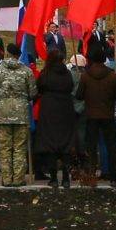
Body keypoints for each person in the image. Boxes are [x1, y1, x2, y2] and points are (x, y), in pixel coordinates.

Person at [0, 49, 36, 187]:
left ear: (7, 54)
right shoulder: (26, 71)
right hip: (21, 113)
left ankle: (6, 179)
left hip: (3, 112)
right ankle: (18, 179)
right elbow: (33, 92)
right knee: (20, 147)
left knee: (4, 148)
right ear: (18, 55)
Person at [77, 45, 116, 184]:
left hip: (91, 115)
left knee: (91, 147)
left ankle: (91, 175)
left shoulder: (85, 76)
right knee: (111, 146)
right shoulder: (113, 76)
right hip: (108, 115)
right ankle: (114, 177)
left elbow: (79, 95)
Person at [33, 52, 78, 187]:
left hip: (49, 109)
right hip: (65, 109)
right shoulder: (67, 74)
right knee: (66, 143)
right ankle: (65, 178)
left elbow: (39, 88)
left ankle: (53, 178)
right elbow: (71, 86)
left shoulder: (45, 73)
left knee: (50, 143)